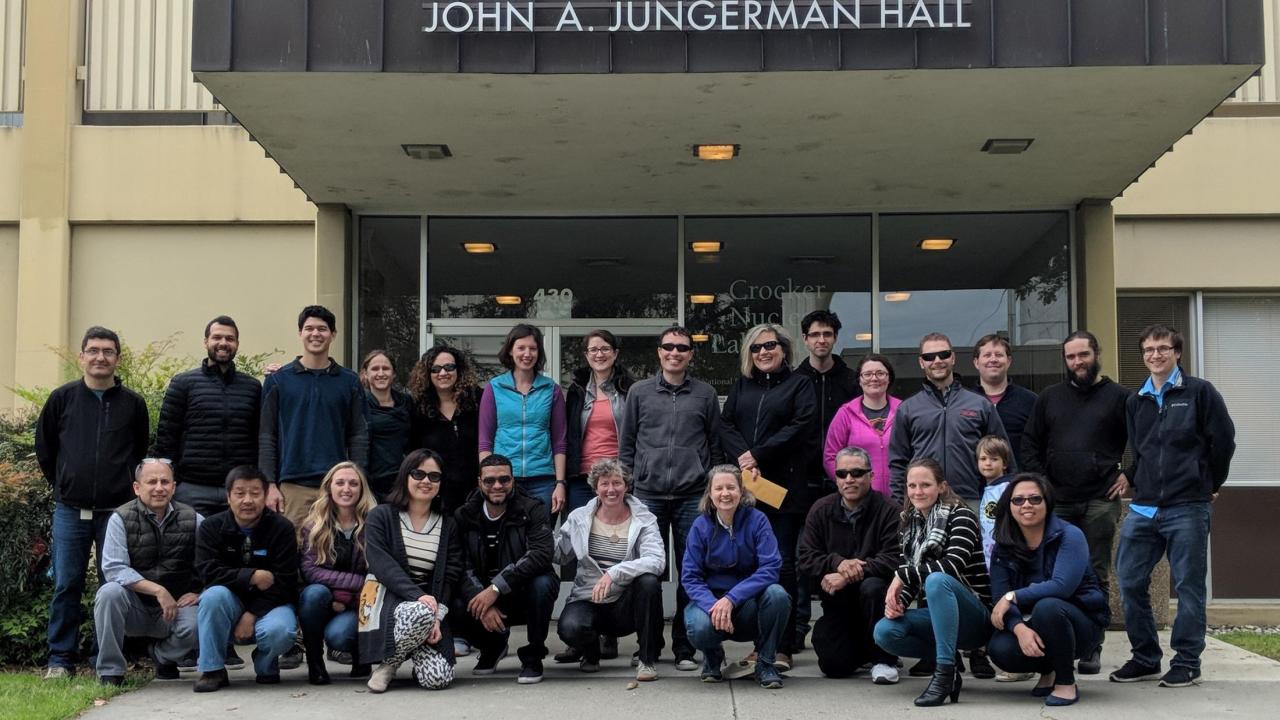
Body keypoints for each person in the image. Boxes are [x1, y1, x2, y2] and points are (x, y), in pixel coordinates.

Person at [1111, 324, 1236, 688]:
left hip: (1188, 506)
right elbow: (1142, 449)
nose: (1155, 355)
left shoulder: (1199, 393)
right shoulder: (1136, 401)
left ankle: (1186, 661)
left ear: (1177, 352)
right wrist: (1132, 478)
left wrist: (1212, 482)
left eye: (1163, 348)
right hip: (1145, 507)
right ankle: (1146, 657)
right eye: (1149, 349)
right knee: (1129, 580)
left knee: (1188, 586)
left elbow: (1224, 441)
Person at [36, 326, 150, 679]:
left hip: (117, 513)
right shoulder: (61, 399)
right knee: (67, 583)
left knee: (112, 586)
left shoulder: (133, 404)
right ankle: (60, 660)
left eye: (108, 351)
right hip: (70, 509)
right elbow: (46, 450)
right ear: (82, 356)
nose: (101, 357)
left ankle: (105, 659)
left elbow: (140, 450)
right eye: (94, 350)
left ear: (117, 358)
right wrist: (66, 483)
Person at [1020, 330, 1132, 674]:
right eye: (1070, 357)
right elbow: (1029, 444)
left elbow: (1144, 441)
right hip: (1058, 504)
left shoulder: (1121, 397)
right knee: (1054, 573)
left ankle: (1092, 644)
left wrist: (1131, 473)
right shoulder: (1050, 397)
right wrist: (1043, 485)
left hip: (1100, 500)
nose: (1077, 362)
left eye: (1082, 355)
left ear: (1096, 354)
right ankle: (1058, 637)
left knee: (1096, 574)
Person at [618, 325, 723, 670]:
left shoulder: (706, 394)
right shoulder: (639, 392)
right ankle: (647, 645)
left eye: (682, 348)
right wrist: (628, 488)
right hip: (648, 494)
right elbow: (628, 444)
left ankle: (684, 647)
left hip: (693, 495)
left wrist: (711, 486)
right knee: (646, 573)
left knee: (691, 571)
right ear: (659, 352)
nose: (675, 353)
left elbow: (715, 444)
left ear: (691, 354)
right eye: (669, 347)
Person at [719, 323, 816, 671]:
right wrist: (745, 457)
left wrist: (758, 454)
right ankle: (760, 642)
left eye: (770, 346)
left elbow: (801, 426)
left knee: (782, 568)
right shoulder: (742, 385)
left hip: (783, 493)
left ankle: (783, 646)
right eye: (757, 347)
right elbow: (725, 424)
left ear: (785, 349)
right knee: (753, 567)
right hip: (747, 490)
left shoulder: (799, 385)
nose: (764, 352)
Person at [873, 458, 993, 707]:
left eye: (925, 485)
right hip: (940, 615)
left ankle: (944, 673)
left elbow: (951, 567)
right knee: (885, 631)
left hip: (977, 617)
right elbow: (912, 574)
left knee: (938, 580)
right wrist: (898, 603)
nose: (918, 492)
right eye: (912, 485)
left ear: (942, 487)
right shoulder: (910, 522)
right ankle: (949, 669)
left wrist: (899, 576)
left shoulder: (962, 517)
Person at [987, 474, 1110, 707]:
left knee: (1048, 606)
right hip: (1033, 621)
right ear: (1009, 505)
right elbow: (998, 597)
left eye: (1035, 499)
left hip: (1080, 623)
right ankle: (1048, 672)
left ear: (1047, 502)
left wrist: (1013, 596)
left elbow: (1062, 587)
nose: (1026, 505)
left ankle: (1066, 682)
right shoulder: (1004, 544)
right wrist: (1019, 628)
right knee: (1000, 649)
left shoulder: (1069, 535)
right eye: (1018, 500)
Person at [361, 449, 465, 692]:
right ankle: (390, 664)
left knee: (437, 679)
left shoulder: (448, 524)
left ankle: (413, 646)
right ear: (405, 476)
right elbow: (381, 564)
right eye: (418, 474)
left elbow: (451, 573)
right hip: (387, 603)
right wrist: (419, 598)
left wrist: (437, 616)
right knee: (420, 611)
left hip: (429, 607)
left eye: (434, 476)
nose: (426, 481)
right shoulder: (381, 516)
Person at [554, 458, 665, 682]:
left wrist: (615, 573)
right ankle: (591, 652)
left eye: (617, 483)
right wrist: (538, 534)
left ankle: (646, 660)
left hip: (625, 603)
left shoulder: (644, 518)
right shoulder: (579, 518)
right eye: (604, 484)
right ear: (595, 488)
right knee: (570, 628)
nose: (611, 489)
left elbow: (657, 560)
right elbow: (560, 554)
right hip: (588, 597)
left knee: (649, 582)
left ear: (626, 486)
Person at [797, 447, 901, 683]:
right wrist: (838, 562)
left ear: (871, 476)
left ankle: (883, 660)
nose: (849, 479)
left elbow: (894, 558)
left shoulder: (889, 510)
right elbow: (806, 556)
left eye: (857, 472)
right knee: (833, 666)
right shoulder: (821, 509)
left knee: (872, 587)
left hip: (878, 601)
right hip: (838, 602)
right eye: (842, 473)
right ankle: (863, 648)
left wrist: (851, 573)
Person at [452, 454, 559, 684]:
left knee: (544, 582)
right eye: (490, 480)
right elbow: (460, 565)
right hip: (484, 593)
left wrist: (496, 588)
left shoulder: (532, 508)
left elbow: (541, 554)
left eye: (504, 479)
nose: (497, 486)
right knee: (456, 599)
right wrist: (483, 599)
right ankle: (493, 646)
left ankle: (533, 654)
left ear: (513, 481)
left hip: (520, 592)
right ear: (479, 482)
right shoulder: (464, 516)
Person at [259, 305, 369, 528]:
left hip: (337, 487)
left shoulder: (349, 382)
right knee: (291, 553)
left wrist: (358, 482)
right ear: (300, 333)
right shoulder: (278, 380)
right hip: (292, 487)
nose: (315, 334)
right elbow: (266, 435)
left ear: (333, 334)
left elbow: (359, 435)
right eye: (309, 328)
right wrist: (269, 484)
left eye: (323, 329)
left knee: (333, 553)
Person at [93, 459, 201, 686]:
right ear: (137, 488)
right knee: (108, 593)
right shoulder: (120, 518)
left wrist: (199, 592)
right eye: (152, 482)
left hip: (176, 608)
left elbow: (212, 563)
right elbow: (114, 568)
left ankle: (162, 656)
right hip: (135, 608)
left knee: (201, 620)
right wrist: (158, 590)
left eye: (165, 481)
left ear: (174, 486)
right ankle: (110, 671)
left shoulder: (193, 519)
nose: (159, 487)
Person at [193, 466, 301, 692]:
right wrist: (251, 576)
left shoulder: (282, 528)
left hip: (271, 603)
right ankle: (212, 669)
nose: (247, 500)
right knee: (212, 596)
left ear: (265, 495)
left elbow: (286, 581)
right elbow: (208, 571)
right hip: (228, 601)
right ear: (228, 497)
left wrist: (251, 614)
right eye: (240, 493)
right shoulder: (211, 527)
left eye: (255, 493)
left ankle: (265, 663)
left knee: (281, 630)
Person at [683, 465, 790, 689]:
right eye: (719, 488)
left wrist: (732, 598)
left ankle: (765, 662)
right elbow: (690, 577)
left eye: (731, 487)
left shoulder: (758, 520)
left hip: (748, 602)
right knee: (699, 627)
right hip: (711, 603)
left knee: (778, 595)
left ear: (741, 491)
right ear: (710, 494)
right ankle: (712, 656)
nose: (725, 493)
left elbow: (771, 567)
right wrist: (714, 606)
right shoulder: (700, 526)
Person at [793, 309, 858, 650]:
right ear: (805, 339)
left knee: (843, 553)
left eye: (827, 334)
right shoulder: (794, 380)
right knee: (805, 558)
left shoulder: (850, 380)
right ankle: (799, 626)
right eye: (815, 334)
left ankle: (841, 626)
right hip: (801, 483)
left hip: (843, 482)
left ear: (835, 338)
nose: (821, 340)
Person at [156, 315, 262, 517]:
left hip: (239, 489)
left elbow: (260, 436)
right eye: (217, 337)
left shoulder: (252, 387)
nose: (223, 343)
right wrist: (171, 481)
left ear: (237, 344)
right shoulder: (183, 383)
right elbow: (166, 437)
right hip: (192, 489)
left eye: (229, 339)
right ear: (206, 342)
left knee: (237, 548)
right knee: (190, 547)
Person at [888, 332, 1010, 507]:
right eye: (929, 357)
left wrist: (1004, 496)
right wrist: (900, 504)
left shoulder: (980, 405)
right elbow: (898, 462)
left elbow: (1002, 454)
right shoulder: (908, 408)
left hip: (971, 500)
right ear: (921, 362)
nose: (937, 360)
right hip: (923, 502)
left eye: (943, 354)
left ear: (952, 358)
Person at [298, 461, 376, 685]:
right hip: (325, 601)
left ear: (362, 489)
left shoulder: (374, 523)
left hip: (357, 604)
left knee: (339, 636)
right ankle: (315, 663)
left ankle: (361, 656)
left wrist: (346, 598)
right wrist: (341, 594)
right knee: (312, 594)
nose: (346, 488)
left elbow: (377, 574)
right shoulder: (314, 525)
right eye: (340, 482)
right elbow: (310, 570)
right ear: (329, 488)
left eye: (353, 483)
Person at [478, 323, 568, 513]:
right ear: (510, 350)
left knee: (540, 538)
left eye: (533, 348)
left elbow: (559, 441)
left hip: (543, 480)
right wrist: (488, 479)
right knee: (506, 538)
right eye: (521, 348)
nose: (527, 354)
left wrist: (560, 483)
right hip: (503, 480)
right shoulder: (494, 388)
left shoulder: (552, 389)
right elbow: (485, 440)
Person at [565, 329, 636, 515]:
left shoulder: (629, 389)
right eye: (593, 350)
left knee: (617, 536)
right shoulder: (576, 390)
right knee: (579, 537)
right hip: (582, 476)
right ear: (586, 355)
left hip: (618, 476)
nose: (599, 354)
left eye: (605, 349)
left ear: (615, 353)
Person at [408, 344, 482, 514]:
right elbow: (414, 452)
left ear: (459, 370)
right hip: (437, 494)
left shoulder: (478, 401)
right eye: (435, 369)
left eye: (449, 367)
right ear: (428, 374)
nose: (443, 373)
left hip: (475, 492)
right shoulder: (419, 409)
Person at [825, 354, 900, 498]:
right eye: (867, 374)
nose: (874, 378)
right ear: (859, 380)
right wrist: (848, 486)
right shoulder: (845, 413)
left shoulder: (904, 410)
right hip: (859, 500)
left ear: (889, 378)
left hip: (900, 498)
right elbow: (830, 456)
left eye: (880, 373)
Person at [971, 334, 1038, 459]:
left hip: (1019, 477)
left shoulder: (1030, 401)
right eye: (987, 355)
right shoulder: (964, 402)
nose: (993, 359)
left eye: (999, 355)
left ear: (1008, 361)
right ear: (976, 362)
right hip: (974, 478)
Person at [360, 350, 415, 499]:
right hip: (370, 482)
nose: (381, 373)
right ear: (365, 374)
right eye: (375, 369)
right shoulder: (359, 403)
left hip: (402, 481)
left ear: (394, 373)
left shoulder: (406, 402)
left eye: (386, 368)